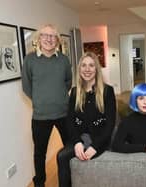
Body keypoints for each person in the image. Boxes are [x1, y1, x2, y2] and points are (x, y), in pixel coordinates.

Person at [22, 24, 72, 187]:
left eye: (53, 36)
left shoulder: (64, 60)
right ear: (38, 38)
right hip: (40, 116)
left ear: (57, 40)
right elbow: (26, 86)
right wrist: (39, 100)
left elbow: (68, 82)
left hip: (64, 113)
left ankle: (72, 178)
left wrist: (58, 97)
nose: (49, 39)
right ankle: (40, 183)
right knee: (39, 153)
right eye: (45, 35)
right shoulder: (30, 59)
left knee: (70, 147)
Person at [57, 52, 117, 187]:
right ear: (79, 69)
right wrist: (77, 142)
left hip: (100, 138)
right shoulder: (74, 91)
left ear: (96, 69)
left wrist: (95, 147)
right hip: (80, 137)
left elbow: (110, 124)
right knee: (62, 156)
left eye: (91, 65)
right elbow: (70, 121)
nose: (87, 69)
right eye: (83, 65)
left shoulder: (107, 91)